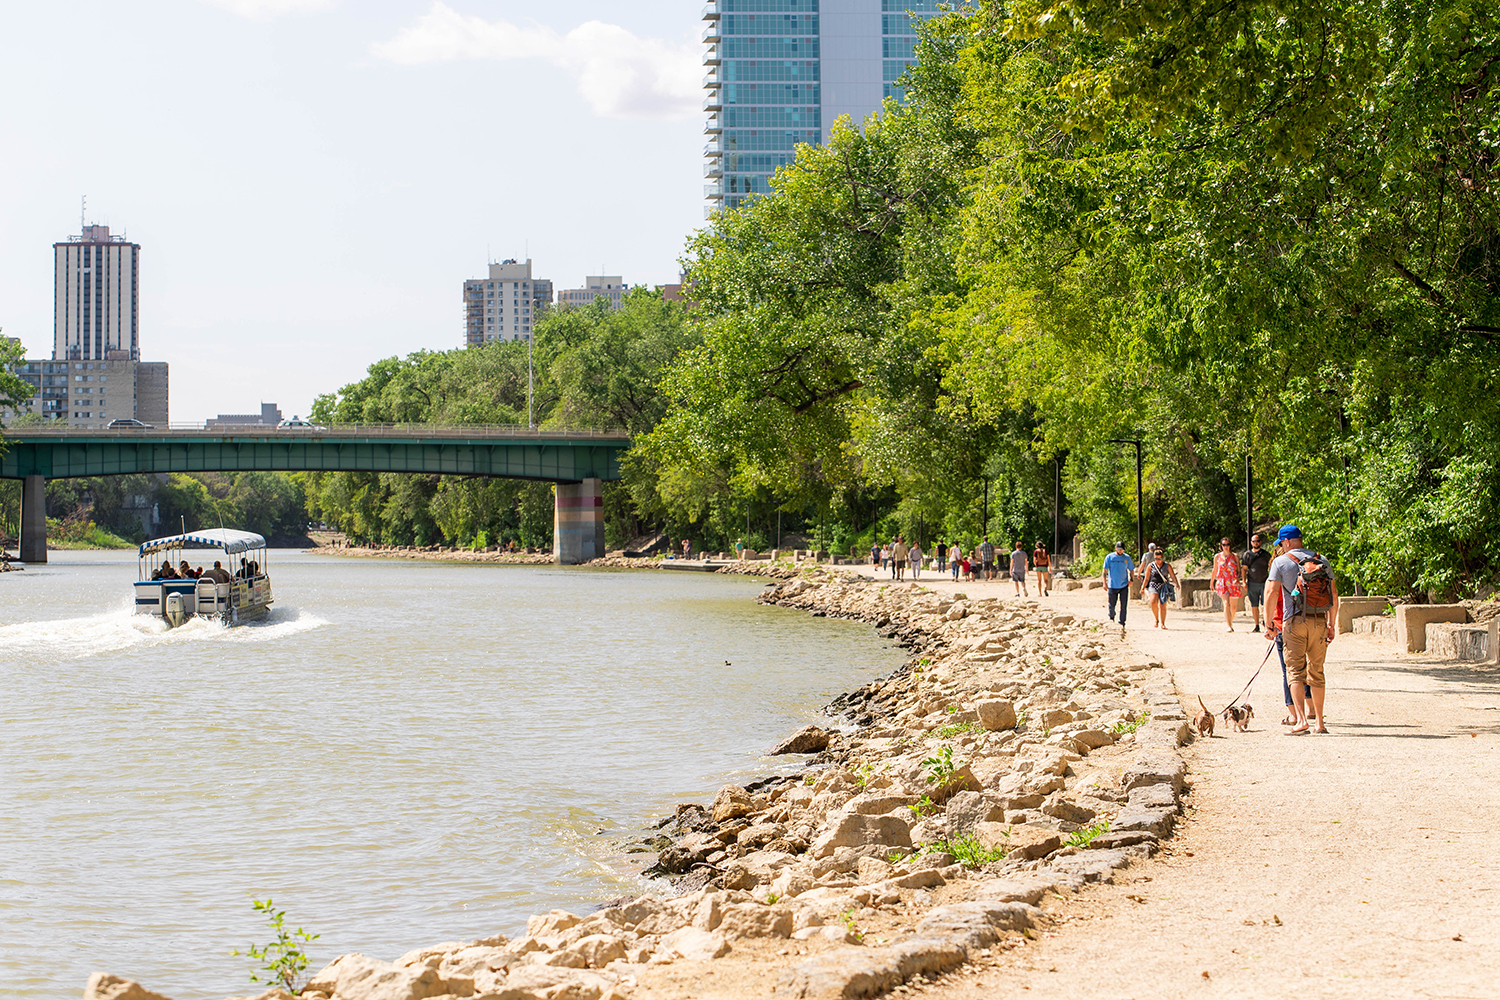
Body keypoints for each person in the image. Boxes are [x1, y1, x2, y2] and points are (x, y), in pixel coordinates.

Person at [1267, 524, 1338, 735]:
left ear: (1286, 542)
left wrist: (1269, 622)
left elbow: (1271, 592)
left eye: (1281, 543)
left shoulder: (1281, 562)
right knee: (1317, 671)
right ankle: (1320, 724)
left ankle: (1300, 721)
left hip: (1293, 621)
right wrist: (1331, 624)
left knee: (1295, 672)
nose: (1281, 546)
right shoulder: (1321, 560)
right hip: (1318, 621)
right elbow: (1333, 595)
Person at [1211, 537, 1247, 632]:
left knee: (1234, 607)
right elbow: (1215, 570)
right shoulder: (1217, 557)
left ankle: (1230, 622)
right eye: (1224, 545)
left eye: (1227, 544)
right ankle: (1229, 626)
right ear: (1221, 546)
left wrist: (1237, 579)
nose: (1226, 547)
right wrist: (1211, 582)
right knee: (1226, 604)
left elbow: (1239, 570)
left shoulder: (1235, 556)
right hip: (1222, 582)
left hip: (1233, 582)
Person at [1143, 548, 1180, 628]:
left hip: (1163, 586)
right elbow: (1147, 578)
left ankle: (1163, 623)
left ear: (1162, 558)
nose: (1158, 560)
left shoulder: (1167, 565)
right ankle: (1156, 619)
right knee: (1153, 601)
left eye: (1159, 559)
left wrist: (1176, 583)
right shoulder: (1150, 566)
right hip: (1153, 585)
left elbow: (1172, 576)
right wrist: (1142, 588)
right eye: (1156, 558)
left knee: (1163, 604)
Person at [1243, 533, 1272, 632]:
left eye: (1257, 541)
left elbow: (1271, 566)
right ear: (1251, 542)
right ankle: (1256, 625)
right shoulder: (1247, 554)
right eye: (1254, 541)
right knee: (1254, 605)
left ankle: (1265, 623)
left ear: (1260, 542)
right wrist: (1244, 581)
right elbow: (1244, 569)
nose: (1256, 543)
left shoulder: (1266, 554)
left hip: (1264, 582)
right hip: (1252, 583)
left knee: (1266, 604)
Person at [1102, 542, 1134, 630]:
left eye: (1122, 549)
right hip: (1112, 585)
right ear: (1115, 548)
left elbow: (1131, 569)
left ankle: (1122, 622)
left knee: (1124, 605)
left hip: (1123, 585)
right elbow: (1104, 571)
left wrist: (1131, 580)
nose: (1120, 551)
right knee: (1112, 604)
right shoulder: (1109, 557)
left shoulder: (1126, 558)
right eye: (1119, 549)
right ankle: (1111, 617)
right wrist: (1104, 583)